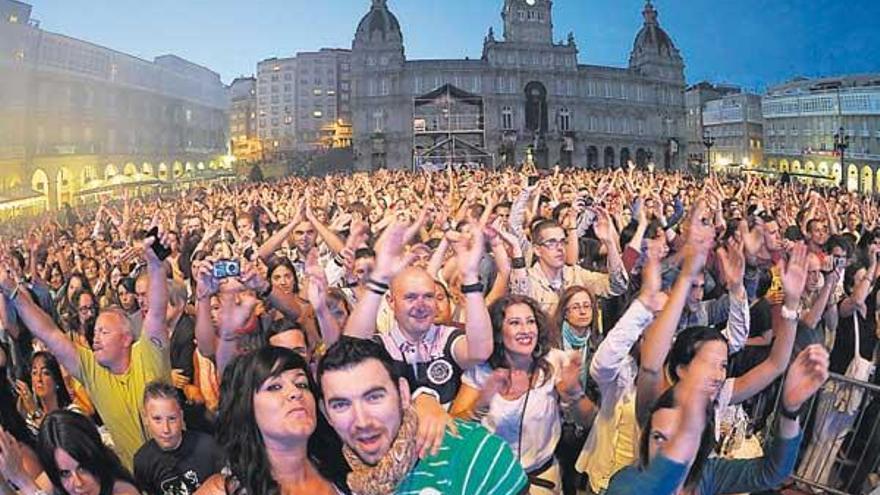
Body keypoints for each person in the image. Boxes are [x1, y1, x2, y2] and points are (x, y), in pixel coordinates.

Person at [0, 233, 173, 469]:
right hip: (137, 483)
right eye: (95, 332)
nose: (96, 338)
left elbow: (156, 310)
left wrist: (155, 265)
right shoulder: (93, 370)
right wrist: (12, 292)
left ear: (126, 338)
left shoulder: (149, 353)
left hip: (179, 469)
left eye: (104, 332)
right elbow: (49, 333)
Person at [605, 344, 830, 495]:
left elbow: (772, 472)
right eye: (659, 438)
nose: (669, 450)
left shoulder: (706, 474)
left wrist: (790, 410)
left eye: (684, 438)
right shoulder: (625, 484)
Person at [318, 336, 529, 495]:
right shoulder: (334, 475)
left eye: (374, 398)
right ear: (326, 413)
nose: (362, 421)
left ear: (402, 393)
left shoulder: (474, 453)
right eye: (341, 405)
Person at [451, 295, 595, 494]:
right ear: (499, 332)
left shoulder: (555, 361)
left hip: (544, 481)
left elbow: (588, 420)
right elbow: (452, 431)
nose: (526, 330)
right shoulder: (481, 370)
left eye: (530, 322)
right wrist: (481, 404)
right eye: (515, 323)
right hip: (492, 483)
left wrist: (575, 392)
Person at [196, 347, 345, 495]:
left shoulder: (339, 467)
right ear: (247, 406)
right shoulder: (223, 490)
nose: (296, 392)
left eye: (301, 384)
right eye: (275, 387)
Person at [0, 410, 139, 495]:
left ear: (96, 456)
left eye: (83, 468)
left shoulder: (123, 491)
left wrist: (23, 480)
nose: (78, 483)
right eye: (65, 473)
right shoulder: (57, 478)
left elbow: (29, 488)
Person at [133, 381, 223, 495]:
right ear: (146, 418)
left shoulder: (208, 447)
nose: (166, 429)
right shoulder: (142, 461)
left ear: (181, 416)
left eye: (172, 418)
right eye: (157, 419)